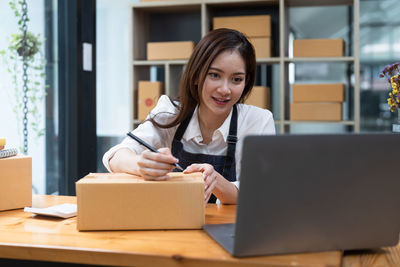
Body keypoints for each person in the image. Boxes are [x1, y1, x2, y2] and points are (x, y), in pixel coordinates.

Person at [103, 28, 275, 205]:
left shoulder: (258, 121)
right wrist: (142, 164)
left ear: (246, 82)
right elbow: (114, 157)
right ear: (196, 76)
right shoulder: (170, 111)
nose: (225, 89)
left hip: (231, 228)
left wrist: (215, 181)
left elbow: (259, 191)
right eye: (214, 75)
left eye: (236, 79)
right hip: (174, 221)